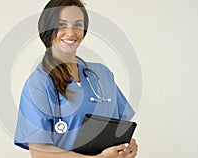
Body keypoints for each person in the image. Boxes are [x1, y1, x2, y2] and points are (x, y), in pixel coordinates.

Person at [14, 0, 138, 157]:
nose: (71, 33)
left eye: (78, 25)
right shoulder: (38, 84)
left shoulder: (102, 74)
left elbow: (118, 129)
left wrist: (128, 147)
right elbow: (40, 153)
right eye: (62, 24)